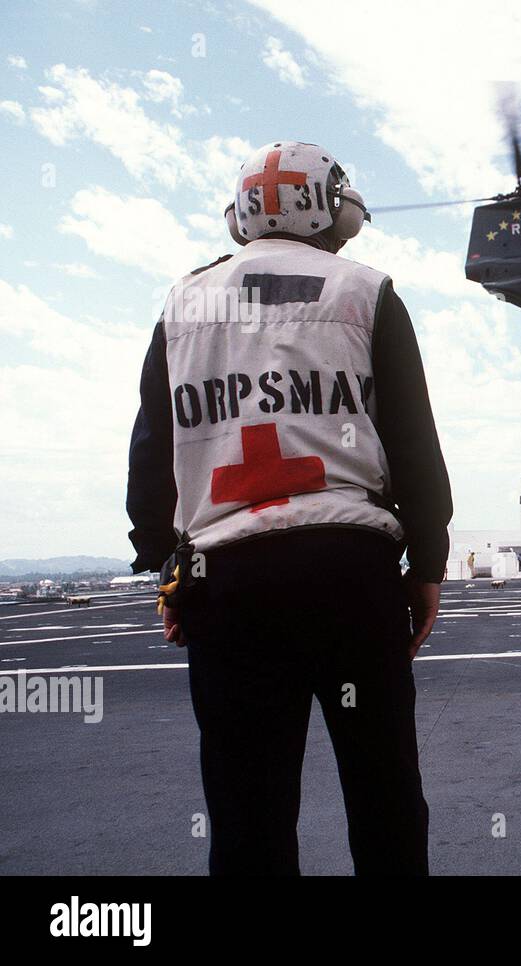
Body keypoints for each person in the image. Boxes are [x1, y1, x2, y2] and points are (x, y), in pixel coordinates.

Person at [126, 140, 453, 875]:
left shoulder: (181, 304)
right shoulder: (366, 292)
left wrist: (166, 568)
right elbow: (413, 443)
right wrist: (426, 563)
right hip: (350, 573)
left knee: (247, 817)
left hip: (230, 585)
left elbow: (150, 457)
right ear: (329, 205)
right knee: (385, 796)